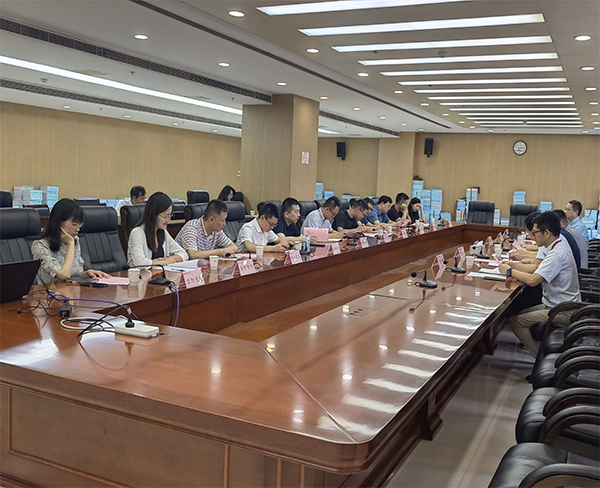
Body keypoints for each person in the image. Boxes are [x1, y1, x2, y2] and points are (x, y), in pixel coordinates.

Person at [499, 211, 580, 357]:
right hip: (558, 304)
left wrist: (510, 271)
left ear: (546, 233)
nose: (533, 236)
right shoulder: (558, 244)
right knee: (522, 313)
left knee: (517, 322)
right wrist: (514, 266)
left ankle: (540, 357)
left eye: (535, 232)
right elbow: (537, 268)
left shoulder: (557, 254)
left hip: (563, 310)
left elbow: (532, 280)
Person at [31, 198, 111, 284]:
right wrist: (70, 243)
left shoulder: (75, 239)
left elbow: (74, 273)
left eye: (80, 224)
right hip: (51, 291)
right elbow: (64, 275)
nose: (78, 229)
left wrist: (86, 274)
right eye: (74, 224)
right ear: (59, 222)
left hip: (72, 289)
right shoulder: (40, 246)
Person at [127, 192, 188, 267]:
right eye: (165, 217)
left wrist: (168, 260)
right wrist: (162, 262)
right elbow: (140, 263)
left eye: (170, 216)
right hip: (141, 274)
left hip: (160, 273)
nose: (168, 220)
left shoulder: (163, 232)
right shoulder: (137, 233)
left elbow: (184, 254)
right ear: (153, 214)